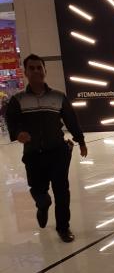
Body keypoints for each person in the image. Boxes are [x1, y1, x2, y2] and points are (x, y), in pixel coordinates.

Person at [6, 54, 88, 243]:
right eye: (32, 68)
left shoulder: (58, 96)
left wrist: (81, 140)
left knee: (62, 191)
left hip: (58, 151)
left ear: (45, 70)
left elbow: (71, 120)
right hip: (33, 154)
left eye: (39, 67)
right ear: (25, 72)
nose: (36, 71)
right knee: (39, 190)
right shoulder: (18, 99)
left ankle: (63, 227)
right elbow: (12, 121)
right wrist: (18, 133)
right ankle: (42, 206)